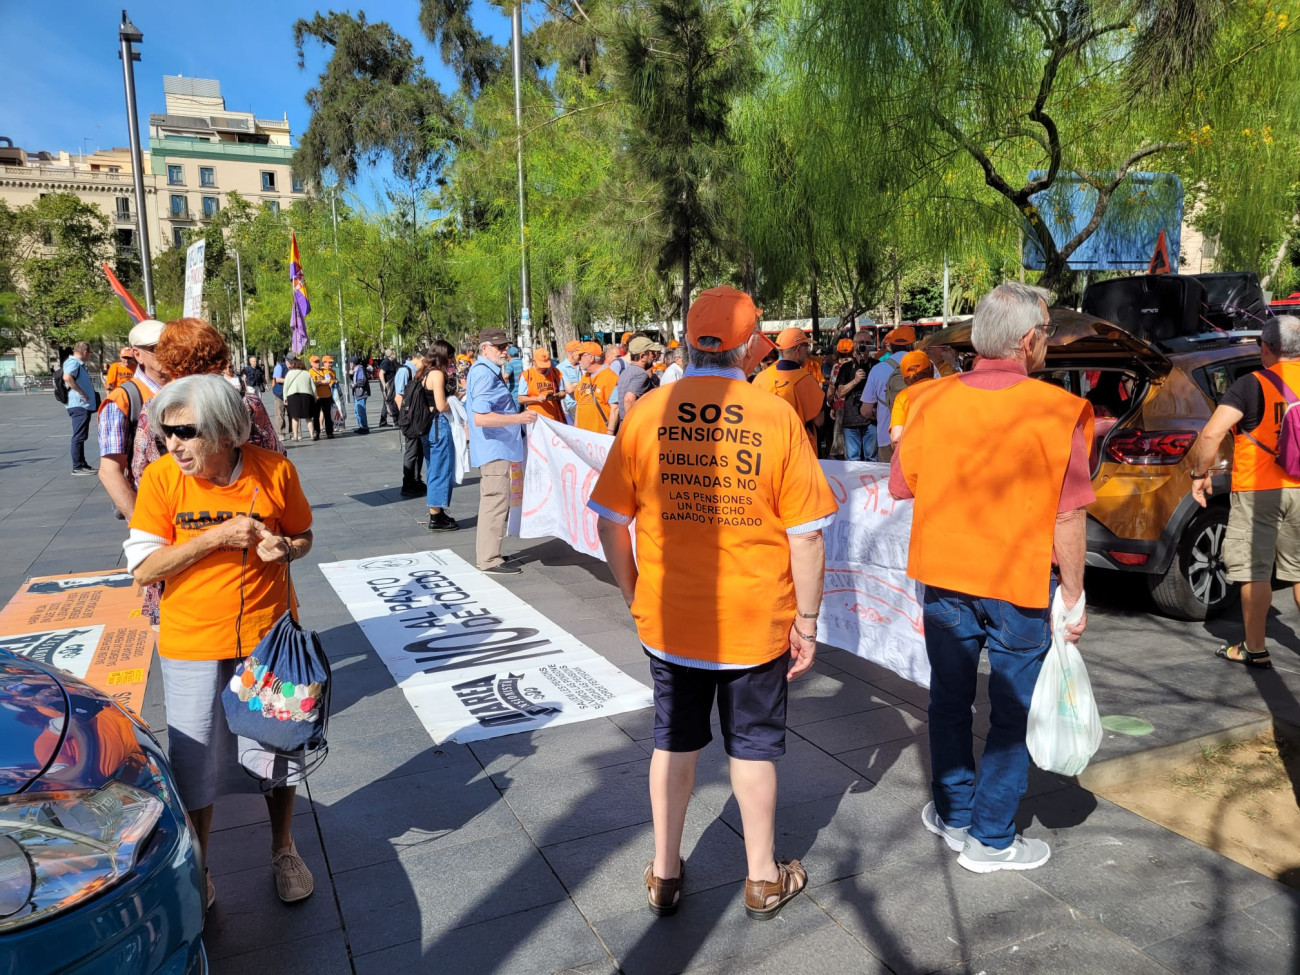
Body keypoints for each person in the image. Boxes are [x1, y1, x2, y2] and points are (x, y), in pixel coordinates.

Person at [588, 284, 837, 920]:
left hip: (669, 618)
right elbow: (805, 535)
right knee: (753, 747)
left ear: (686, 342)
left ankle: (665, 874)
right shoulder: (775, 416)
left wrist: (633, 588)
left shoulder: (646, 412)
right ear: (750, 346)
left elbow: (609, 522)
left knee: (672, 742)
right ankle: (762, 878)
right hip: (757, 620)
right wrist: (807, 620)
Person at [890, 282, 1092, 873]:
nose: (1049, 342)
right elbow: (1069, 515)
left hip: (946, 575)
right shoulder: (1058, 412)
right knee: (1011, 710)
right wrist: (1074, 597)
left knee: (949, 700)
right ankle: (992, 837)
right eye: (1048, 333)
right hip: (1020, 582)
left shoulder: (927, 400)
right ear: (1028, 340)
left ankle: (954, 814)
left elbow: (905, 484)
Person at [124, 374, 316, 908]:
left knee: (280, 748)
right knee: (196, 762)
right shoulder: (162, 480)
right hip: (191, 642)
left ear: (227, 431)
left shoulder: (275, 470)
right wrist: (215, 537)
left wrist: (286, 548)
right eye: (167, 432)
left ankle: (284, 848)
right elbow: (144, 569)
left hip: (270, 638)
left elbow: (303, 535)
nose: (173, 445)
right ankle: (201, 865)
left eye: (186, 432)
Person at [1189, 314, 1300, 669]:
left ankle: (1254, 648)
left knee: (1255, 571)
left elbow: (1210, 434)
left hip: (1258, 490)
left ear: (1266, 348)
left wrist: (1199, 473)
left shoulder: (1251, 385)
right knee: (1299, 571)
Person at [466, 327, 536, 573]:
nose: (505, 351)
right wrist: (519, 419)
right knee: (495, 503)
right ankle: (488, 559)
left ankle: (489, 555)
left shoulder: (483, 371)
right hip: (494, 449)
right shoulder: (484, 374)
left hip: (495, 447)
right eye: (499, 347)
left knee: (495, 502)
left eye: (505, 346)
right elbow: (481, 418)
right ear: (485, 348)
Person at [98, 319, 167, 518]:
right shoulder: (121, 400)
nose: (167, 353)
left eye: (171, 346)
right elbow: (110, 471)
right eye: (156, 349)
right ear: (137, 354)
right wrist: (140, 525)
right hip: (153, 508)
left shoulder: (185, 387)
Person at [752, 327, 825, 453]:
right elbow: (819, 421)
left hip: (766, 448)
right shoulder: (807, 380)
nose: (807, 351)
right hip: (798, 450)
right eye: (806, 347)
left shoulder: (760, 378)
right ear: (798, 350)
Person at [420, 341, 460, 532]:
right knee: (441, 469)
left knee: (434, 468)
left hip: (428, 426)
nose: (452, 360)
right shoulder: (437, 374)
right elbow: (441, 405)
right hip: (439, 424)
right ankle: (436, 515)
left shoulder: (425, 372)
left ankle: (437, 510)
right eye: (450, 356)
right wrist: (456, 400)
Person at [862, 325, 915, 463]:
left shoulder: (877, 369)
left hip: (887, 438)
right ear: (913, 345)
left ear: (891, 345)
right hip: (917, 437)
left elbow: (866, 410)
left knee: (888, 482)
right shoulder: (928, 366)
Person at [832, 331, 875, 461]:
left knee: (872, 458)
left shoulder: (877, 365)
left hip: (872, 420)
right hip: (851, 421)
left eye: (867, 343)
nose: (864, 346)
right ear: (854, 345)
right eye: (861, 343)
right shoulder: (846, 367)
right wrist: (855, 380)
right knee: (852, 460)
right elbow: (840, 392)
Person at [612, 336, 664, 429]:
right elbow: (629, 399)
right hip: (636, 427)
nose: (654, 357)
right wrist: (632, 426)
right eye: (652, 353)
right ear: (643, 356)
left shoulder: (625, 371)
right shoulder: (641, 374)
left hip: (625, 425)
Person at [62, 341, 98, 475]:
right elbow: (67, 377)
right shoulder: (74, 363)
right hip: (78, 405)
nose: (90, 356)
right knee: (79, 436)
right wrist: (81, 392)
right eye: (90, 353)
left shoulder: (76, 364)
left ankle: (82, 464)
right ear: (84, 352)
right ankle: (77, 466)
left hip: (81, 405)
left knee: (81, 435)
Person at [395, 349, 427, 497]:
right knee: (412, 451)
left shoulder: (417, 371)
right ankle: (407, 483)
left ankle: (416, 479)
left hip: (418, 418)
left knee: (419, 450)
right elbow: (398, 396)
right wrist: (406, 417)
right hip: (410, 419)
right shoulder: (405, 371)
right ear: (421, 359)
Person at [888, 349, 936, 446]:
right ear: (931, 369)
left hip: (915, 456)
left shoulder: (902, 397)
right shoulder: (947, 388)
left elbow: (896, 437)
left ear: (904, 378)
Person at [517, 347, 567, 423]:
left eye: (545, 365)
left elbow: (563, 393)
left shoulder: (555, 372)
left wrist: (556, 396)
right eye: (540, 365)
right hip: (536, 419)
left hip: (554, 418)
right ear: (533, 361)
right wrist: (537, 399)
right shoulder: (526, 375)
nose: (543, 368)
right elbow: (521, 399)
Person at [573, 343, 614, 434]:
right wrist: (575, 429)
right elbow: (578, 405)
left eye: (580, 356)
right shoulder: (585, 377)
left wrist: (609, 433)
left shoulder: (610, 376)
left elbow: (615, 409)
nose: (578, 360)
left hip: (600, 436)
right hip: (583, 435)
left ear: (591, 358)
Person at [283, 357, 316, 442]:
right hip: (306, 396)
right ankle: (312, 435)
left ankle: (296, 436)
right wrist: (315, 396)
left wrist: (285, 397)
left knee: (294, 417)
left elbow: (285, 386)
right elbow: (313, 387)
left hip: (293, 397)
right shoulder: (307, 373)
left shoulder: (289, 374)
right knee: (308, 417)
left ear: (293, 364)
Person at [309, 356, 335, 440]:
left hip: (327, 396)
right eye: (315, 362)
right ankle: (317, 432)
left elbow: (328, 380)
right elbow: (312, 383)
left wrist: (318, 383)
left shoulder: (325, 371)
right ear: (311, 363)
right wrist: (321, 382)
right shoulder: (310, 372)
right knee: (315, 416)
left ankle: (329, 432)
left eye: (318, 362)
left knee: (327, 414)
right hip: (316, 397)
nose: (317, 363)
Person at [557, 340, 584, 422]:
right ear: (571, 353)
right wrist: (583, 384)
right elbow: (569, 389)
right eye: (578, 352)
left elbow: (591, 383)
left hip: (584, 405)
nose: (580, 355)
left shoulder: (582, 365)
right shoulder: (561, 368)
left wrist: (575, 384)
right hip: (571, 408)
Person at [377, 349, 399, 428]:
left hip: (391, 385)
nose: (395, 354)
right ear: (390, 354)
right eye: (393, 353)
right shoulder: (386, 362)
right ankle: (396, 421)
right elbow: (381, 373)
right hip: (388, 386)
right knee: (390, 401)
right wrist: (384, 385)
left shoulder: (391, 362)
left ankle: (383, 421)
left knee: (387, 402)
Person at [349, 355, 371, 434]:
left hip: (361, 393)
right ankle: (361, 426)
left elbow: (362, 380)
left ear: (353, 363)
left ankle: (364, 427)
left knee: (361, 410)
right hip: (357, 393)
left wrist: (355, 385)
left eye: (351, 362)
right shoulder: (355, 370)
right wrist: (351, 375)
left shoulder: (360, 369)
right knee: (357, 410)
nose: (350, 364)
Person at [271, 354, 289, 436]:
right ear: (287, 361)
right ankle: (280, 433)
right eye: (291, 361)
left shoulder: (294, 367)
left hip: (290, 394)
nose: (292, 363)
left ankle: (293, 432)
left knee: (292, 414)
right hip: (280, 394)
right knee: (280, 414)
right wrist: (289, 379)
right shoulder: (279, 367)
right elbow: (277, 379)